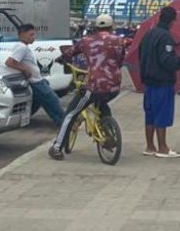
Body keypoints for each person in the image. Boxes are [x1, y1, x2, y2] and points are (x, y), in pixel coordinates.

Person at [48, 14, 126, 160]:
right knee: (103, 105)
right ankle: (109, 132)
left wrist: (61, 59)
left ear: (96, 27)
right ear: (112, 26)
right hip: (114, 87)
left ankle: (57, 147)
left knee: (71, 113)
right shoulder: (119, 40)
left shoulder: (87, 41)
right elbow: (121, 60)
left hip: (95, 86)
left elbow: (69, 53)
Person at [140, 6, 180, 159]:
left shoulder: (148, 34)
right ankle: (163, 147)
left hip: (148, 81)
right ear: (173, 21)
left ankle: (150, 146)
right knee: (162, 115)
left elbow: (140, 54)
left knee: (150, 115)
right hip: (162, 81)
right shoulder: (165, 37)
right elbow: (167, 60)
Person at [5, 24, 66, 127]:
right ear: (22, 35)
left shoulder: (23, 47)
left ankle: (61, 122)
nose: (33, 37)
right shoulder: (22, 48)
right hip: (36, 83)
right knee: (53, 101)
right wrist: (25, 69)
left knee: (46, 104)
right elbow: (10, 62)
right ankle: (64, 123)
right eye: (31, 35)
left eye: (34, 35)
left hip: (38, 81)